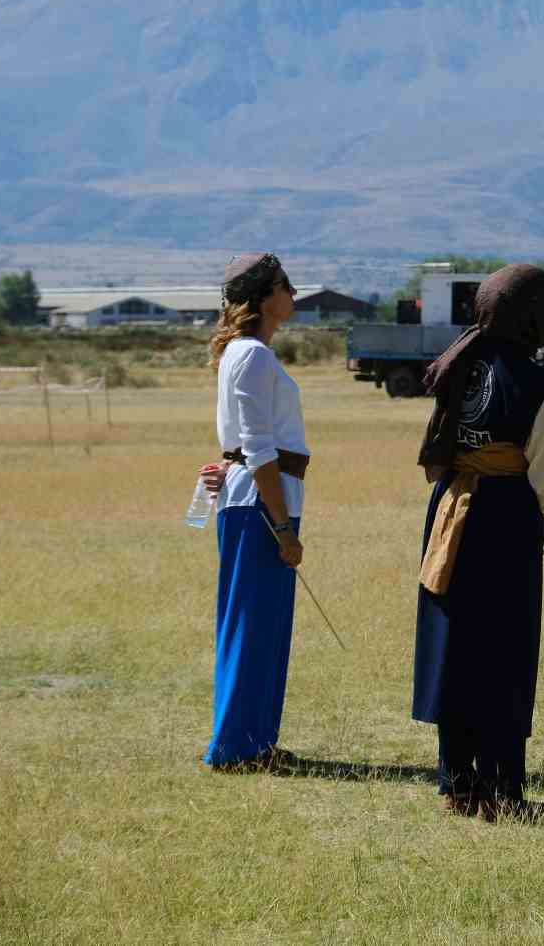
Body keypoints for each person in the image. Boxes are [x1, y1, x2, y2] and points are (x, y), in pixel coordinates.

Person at [414, 264, 544, 819]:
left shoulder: (459, 364)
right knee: (504, 657)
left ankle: (457, 784)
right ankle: (503, 795)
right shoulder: (537, 383)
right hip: (504, 517)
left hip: (452, 511)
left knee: (458, 652)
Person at [199, 252, 310, 771]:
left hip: (257, 501)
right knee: (251, 626)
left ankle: (256, 740)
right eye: (286, 285)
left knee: (264, 628)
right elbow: (258, 449)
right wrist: (283, 524)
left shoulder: (246, 355)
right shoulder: (253, 357)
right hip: (260, 507)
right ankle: (236, 746)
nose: (294, 294)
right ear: (264, 296)